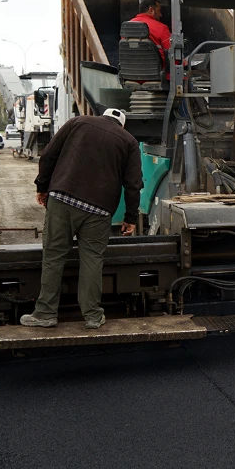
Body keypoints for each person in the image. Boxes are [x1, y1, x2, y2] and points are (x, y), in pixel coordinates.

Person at [21, 109, 143, 330]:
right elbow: (133, 184)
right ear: (122, 125)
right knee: (92, 260)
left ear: (102, 116)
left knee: (54, 257)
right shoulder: (129, 141)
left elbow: (48, 155)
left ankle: (45, 314)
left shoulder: (78, 122)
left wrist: (42, 187)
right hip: (99, 210)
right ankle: (93, 316)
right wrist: (130, 217)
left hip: (63, 199)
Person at [130, 0, 171, 65]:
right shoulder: (162, 28)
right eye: (159, 11)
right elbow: (171, 58)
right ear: (151, 10)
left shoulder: (128, 27)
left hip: (130, 70)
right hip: (156, 71)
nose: (160, 15)